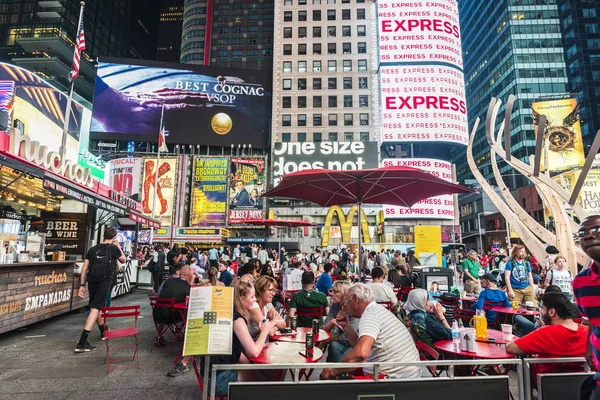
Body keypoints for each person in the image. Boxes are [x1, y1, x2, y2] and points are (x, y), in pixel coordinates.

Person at [320, 284, 420, 380]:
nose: (345, 306)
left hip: (394, 379)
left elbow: (361, 354)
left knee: (328, 378)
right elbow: (358, 346)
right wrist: (346, 325)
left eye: (346, 301)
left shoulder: (370, 316)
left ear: (355, 299)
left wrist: (333, 372)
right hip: (405, 373)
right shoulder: (375, 310)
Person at [197, 280, 270, 395]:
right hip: (217, 382)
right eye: (252, 297)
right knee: (270, 375)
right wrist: (265, 331)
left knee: (262, 374)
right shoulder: (238, 320)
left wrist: (250, 366)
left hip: (208, 377)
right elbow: (254, 352)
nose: (255, 300)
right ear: (241, 298)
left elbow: (234, 350)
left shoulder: (227, 313)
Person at [506, 292, 588, 386]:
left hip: (549, 387)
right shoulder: (589, 332)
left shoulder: (546, 333)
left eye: (542, 309)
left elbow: (511, 348)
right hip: (584, 386)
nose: (541, 312)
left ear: (551, 312)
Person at [76, 227, 126, 352]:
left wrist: (82, 285)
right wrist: (118, 246)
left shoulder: (92, 249)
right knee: (95, 308)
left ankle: (103, 331)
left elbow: (84, 268)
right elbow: (123, 260)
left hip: (92, 281)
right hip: (105, 281)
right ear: (114, 237)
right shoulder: (113, 248)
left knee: (96, 305)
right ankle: (82, 341)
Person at [573, 215, 600, 399]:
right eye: (582, 233)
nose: (588, 236)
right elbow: (593, 320)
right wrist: (589, 347)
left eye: (597, 230)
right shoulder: (581, 283)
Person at [322, 281, 356, 362]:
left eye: (336, 292)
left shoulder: (353, 307)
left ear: (345, 294)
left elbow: (348, 337)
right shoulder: (335, 305)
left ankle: (333, 372)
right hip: (341, 340)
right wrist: (332, 322)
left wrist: (330, 339)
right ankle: (332, 371)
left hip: (355, 343)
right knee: (334, 347)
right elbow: (324, 327)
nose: (331, 294)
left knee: (335, 348)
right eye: (332, 291)